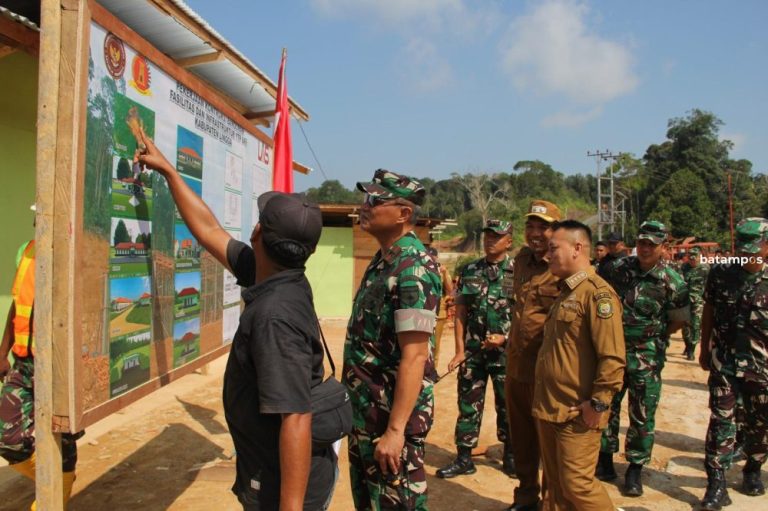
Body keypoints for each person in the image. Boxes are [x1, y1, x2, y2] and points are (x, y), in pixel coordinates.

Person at [138, 131, 336, 510]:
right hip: (275, 469)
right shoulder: (278, 274)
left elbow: (295, 417)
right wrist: (170, 172)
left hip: (285, 487)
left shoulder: (274, 316)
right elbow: (209, 230)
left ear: (258, 232)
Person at [343, 169, 441, 510]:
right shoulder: (383, 261)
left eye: (374, 200)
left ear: (403, 214)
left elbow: (415, 356)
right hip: (366, 414)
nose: (364, 207)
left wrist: (396, 431)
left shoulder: (413, 269)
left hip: (390, 419)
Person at [532, 220, 626, 511]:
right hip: (550, 407)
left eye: (554, 248)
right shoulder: (567, 292)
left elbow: (612, 358)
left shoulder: (597, 294)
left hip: (577, 413)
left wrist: (598, 404)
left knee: (578, 484)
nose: (548, 256)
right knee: (556, 487)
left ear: (577, 248)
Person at [597, 220, 690, 496]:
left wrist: (652, 336)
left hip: (647, 357)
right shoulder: (618, 269)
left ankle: (635, 470)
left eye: (651, 244)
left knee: (642, 413)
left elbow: (679, 320)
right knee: (606, 405)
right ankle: (604, 461)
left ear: (663, 247)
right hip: (613, 352)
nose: (645, 248)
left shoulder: (672, 280)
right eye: (641, 243)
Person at [0, 209, 83, 510]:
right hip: (24, 362)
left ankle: (52, 496)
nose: (39, 223)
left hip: (59, 368)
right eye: (37, 217)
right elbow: (18, 303)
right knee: (8, 438)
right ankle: (57, 481)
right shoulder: (27, 250)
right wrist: (2, 350)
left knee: (63, 440)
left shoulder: (75, 252)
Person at [699, 218, 768, 510]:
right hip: (725, 362)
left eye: (754, 249)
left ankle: (752, 469)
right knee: (721, 421)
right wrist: (705, 348)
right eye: (744, 249)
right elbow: (709, 311)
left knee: (760, 425)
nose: (749, 255)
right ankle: (716, 484)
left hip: (763, 368)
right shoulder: (721, 273)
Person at [437, 219, 514, 479]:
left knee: (509, 405)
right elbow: (460, 311)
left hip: (508, 353)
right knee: (468, 403)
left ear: (509, 241)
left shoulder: (519, 272)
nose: (490, 240)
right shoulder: (470, 270)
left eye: (496, 236)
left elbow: (529, 316)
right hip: (474, 352)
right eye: (487, 236)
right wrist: (459, 350)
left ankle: (511, 455)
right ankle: (464, 458)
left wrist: (506, 338)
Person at [504, 200, 562, 511]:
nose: (536, 233)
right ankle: (526, 497)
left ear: (556, 231)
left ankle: (550, 503)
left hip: (547, 374)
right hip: (516, 367)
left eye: (544, 226)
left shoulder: (562, 266)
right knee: (523, 441)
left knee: (550, 446)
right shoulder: (522, 259)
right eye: (531, 226)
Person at [681, 246, 710, 360]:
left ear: (699, 257)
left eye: (695, 257)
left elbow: (709, 285)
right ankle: (687, 345)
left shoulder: (705, 269)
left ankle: (691, 349)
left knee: (696, 325)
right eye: (690, 257)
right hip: (685, 301)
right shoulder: (684, 267)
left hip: (698, 301)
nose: (692, 259)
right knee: (685, 327)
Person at [427, 247, 454, 366]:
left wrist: (444, 272)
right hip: (423, 312)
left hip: (438, 314)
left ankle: (433, 369)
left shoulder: (441, 271)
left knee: (435, 345)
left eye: (434, 258)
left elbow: (450, 290)